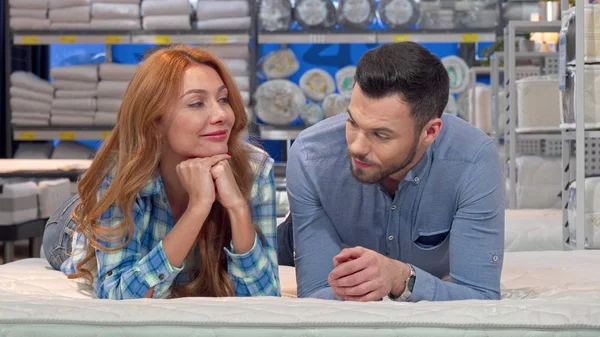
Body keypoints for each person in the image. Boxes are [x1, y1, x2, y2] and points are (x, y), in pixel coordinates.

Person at [42, 45, 280, 300]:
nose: (221, 114)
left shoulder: (255, 167)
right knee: (76, 236)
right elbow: (118, 294)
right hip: (72, 227)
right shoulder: (120, 176)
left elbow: (265, 295)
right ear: (155, 122)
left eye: (223, 99)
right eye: (197, 103)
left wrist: (237, 208)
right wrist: (198, 207)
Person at [284, 42, 505, 302]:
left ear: (430, 132)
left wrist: (401, 278)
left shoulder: (473, 160)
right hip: (290, 243)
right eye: (353, 122)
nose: (356, 147)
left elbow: (480, 295)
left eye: (380, 134)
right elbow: (315, 295)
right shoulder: (311, 157)